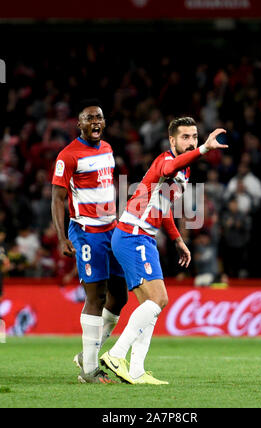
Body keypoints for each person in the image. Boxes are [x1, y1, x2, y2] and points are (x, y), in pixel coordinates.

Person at [100, 117, 227, 384]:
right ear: (172, 140)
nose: (191, 142)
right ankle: (116, 354)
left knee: (153, 304)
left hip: (141, 237)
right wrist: (203, 148)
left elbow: (163, 207)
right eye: (185, 137)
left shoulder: (185, 170)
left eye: (194, 137)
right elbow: (171, 166)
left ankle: (135, 370)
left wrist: (178, 239)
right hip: (133, 235)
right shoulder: (166, 161)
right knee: (158, 300)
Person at [51, 99, 128, 384]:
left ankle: (88, 354)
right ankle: (90, 370)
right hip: (87, 233)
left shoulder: (107, 149)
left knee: (120, 295)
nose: (95, 122)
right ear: (79, 124)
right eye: (89, 118)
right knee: (95, 296)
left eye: (99, 117)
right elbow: (57, 199)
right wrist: (61, 237)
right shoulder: (67, 156)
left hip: (112, 231)